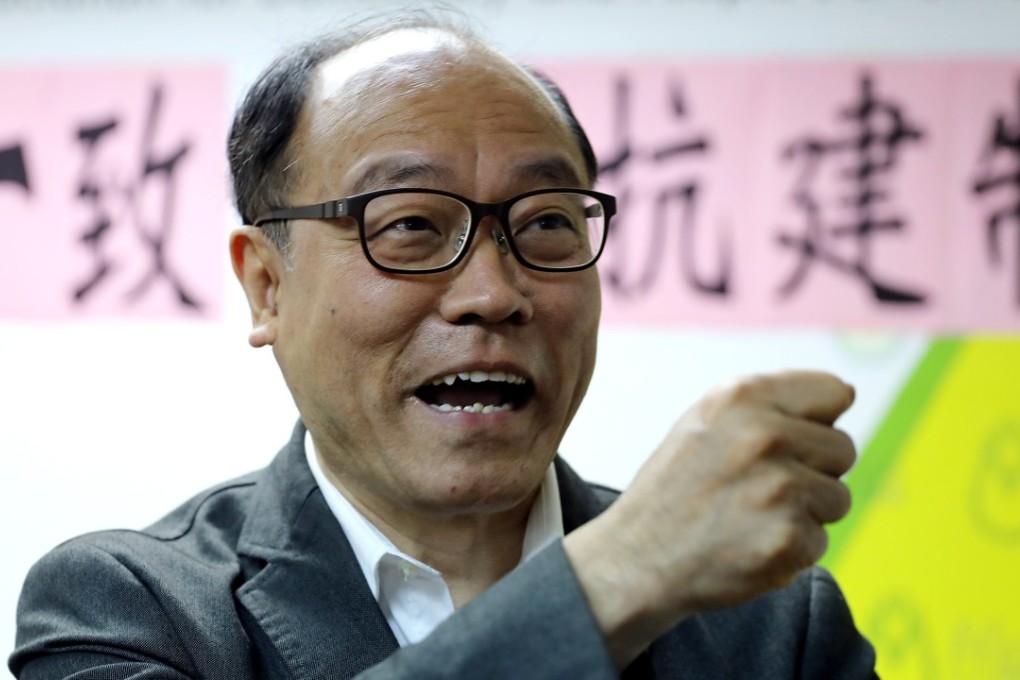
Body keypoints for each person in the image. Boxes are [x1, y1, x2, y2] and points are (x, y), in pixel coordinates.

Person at [10, 11, 878, 679]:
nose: (493, 294)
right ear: (266, 284)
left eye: (543, 224)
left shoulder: (773, 627)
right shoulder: (131, 609)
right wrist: (612, 582)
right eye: (412, 226)